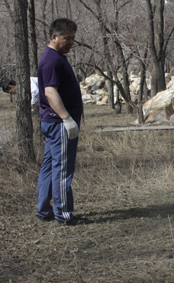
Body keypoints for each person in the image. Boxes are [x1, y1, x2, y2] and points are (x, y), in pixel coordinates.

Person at [36, 18, 88, 226]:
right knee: (62, 169)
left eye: (73, 38)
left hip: (53, 122)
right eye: (67, 38)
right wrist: (66, 118)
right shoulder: (52, 60)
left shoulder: (56, 57)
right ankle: (63, 214)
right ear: (54, 37)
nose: (71, 42)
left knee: (50, 166)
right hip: (59, 123)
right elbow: (50, 91)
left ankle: (43, 210)